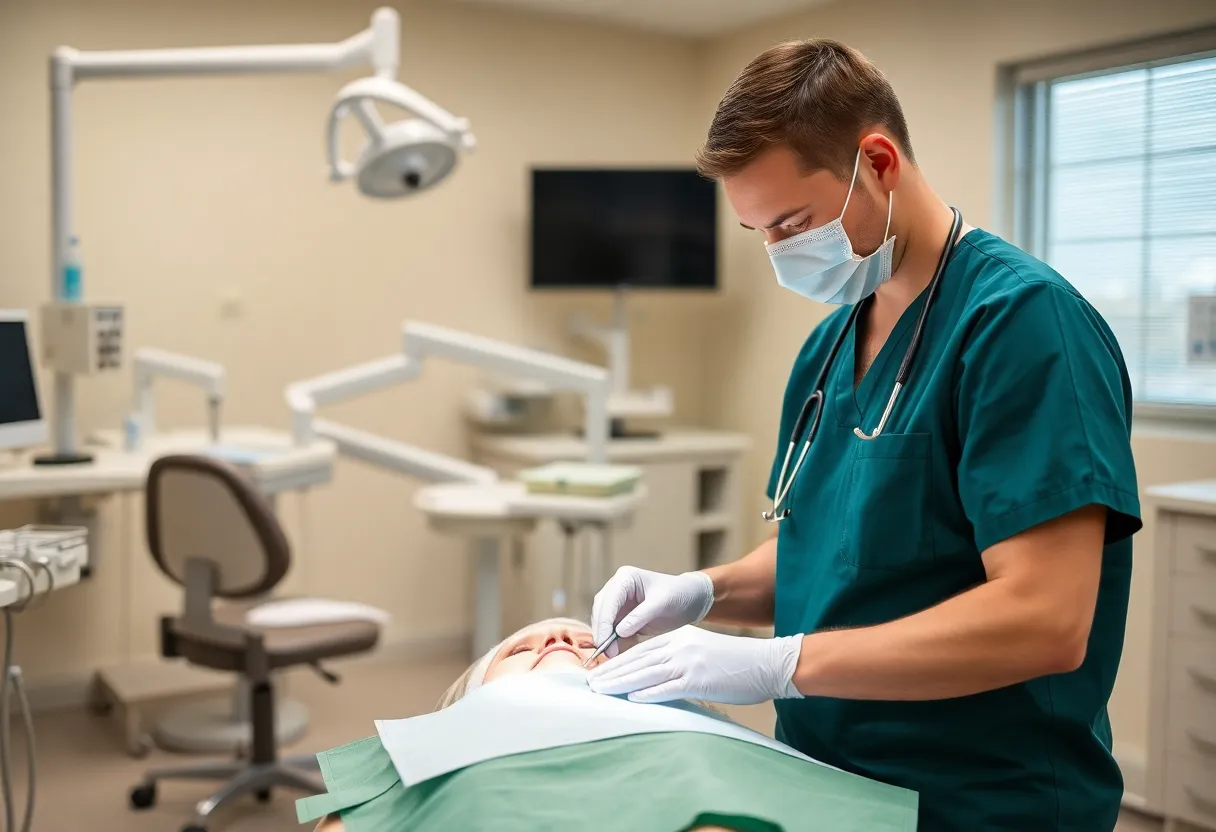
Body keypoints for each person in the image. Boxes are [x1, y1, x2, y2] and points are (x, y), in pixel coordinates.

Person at [586, 39, 1141, 832]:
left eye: (793, 221)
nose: (781, 252)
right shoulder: (829, 347)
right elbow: (836, 551)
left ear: (877, 161)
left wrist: (783, 663)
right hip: (819, 781)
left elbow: (1044, 619)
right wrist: (702, 591)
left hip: (974, 799)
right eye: (760, 232)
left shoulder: (1023, 323)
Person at [301, 618, 915, 832]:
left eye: (588, 642)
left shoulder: (699, 744)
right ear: (466, 698)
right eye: (522, 649)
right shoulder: (424, 751)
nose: (560, 636)